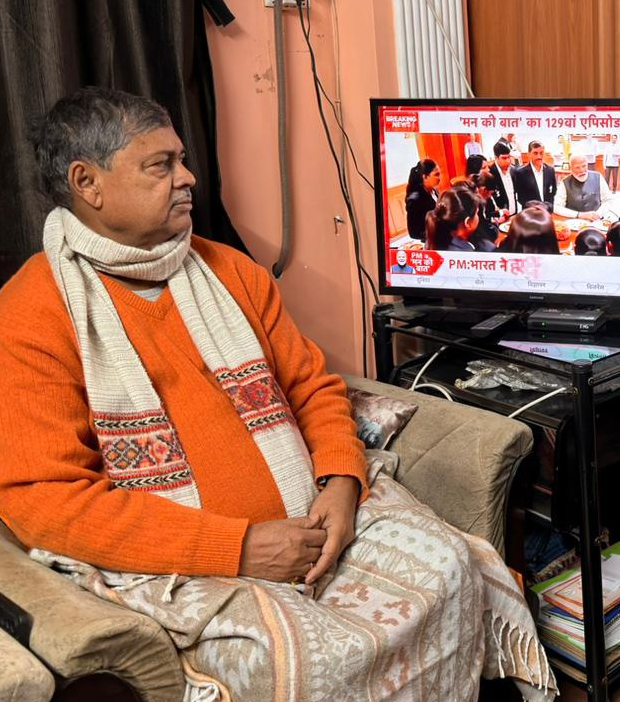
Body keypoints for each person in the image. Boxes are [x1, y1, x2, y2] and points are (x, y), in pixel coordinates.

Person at [0, 87, 553, 701]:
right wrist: (237, 548)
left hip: (317, 517)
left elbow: (313, 389)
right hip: (189, 566)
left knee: (451, 564)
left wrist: (341, 485)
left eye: (182, 159)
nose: (188, 178)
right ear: (88, 183)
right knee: (305, 663)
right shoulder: (31, 314)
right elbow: (45, 502)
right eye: (161, 165)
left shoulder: (231, 270)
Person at [554, 154, 612, 221]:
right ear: (571, 168)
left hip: (596, 221)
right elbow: (556, 206)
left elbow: (608, 200)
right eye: (577, 167)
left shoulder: (598, 177)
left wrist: (598, 214)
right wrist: (579, 215)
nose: (581, 170)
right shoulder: (565, 182)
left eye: (584, 166)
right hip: (573, 221)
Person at [427, 188, 487, 252]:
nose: (478, 217)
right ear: (467, 223)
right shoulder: (468, 254)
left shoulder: (432, 242)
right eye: (477, 213)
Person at [514, 140, 557, 211]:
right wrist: (536, 208)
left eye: (541, 153)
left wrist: (548, 207)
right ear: (529, 154)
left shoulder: (550, 170)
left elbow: (553, 192)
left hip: (547, 211)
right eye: (535, 153)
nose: (539, 156)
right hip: (530, 213)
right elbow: (521, 197)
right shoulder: (521, 173)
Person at [404, 158, 440, 241]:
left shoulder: (434, 190)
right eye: (436, 174)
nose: (439, 178)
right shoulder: (415, 199)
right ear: (425, 177)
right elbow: (414, 233)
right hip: (432, 240)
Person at [470, 172, 502, 251]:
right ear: (483, 190)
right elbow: (480, 227)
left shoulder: (483, 200)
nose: (490, 196)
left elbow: (486, 219)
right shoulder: (473, 204)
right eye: (490, 193)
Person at [488, 140, 519, 217]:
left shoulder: (513, 170)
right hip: (499, 217)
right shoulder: (490, 174)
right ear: (496, 158)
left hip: (515, 214)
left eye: (509, 157)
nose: (508, 161)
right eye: (504, 158)